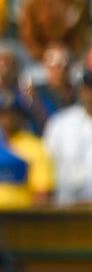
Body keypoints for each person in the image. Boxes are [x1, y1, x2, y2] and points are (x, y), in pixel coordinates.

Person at [43, 69, 92, 206]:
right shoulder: (61, 123)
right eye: (87, 88)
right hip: (67, 208)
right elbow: (47, 161)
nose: (89, 93)